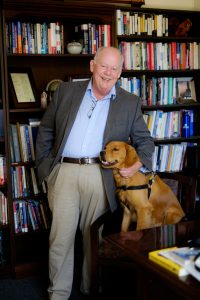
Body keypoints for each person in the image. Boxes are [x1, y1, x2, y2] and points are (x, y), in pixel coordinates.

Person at [35, 46, 155, 300]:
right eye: (103, 66)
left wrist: (137, 165)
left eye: (114, 68)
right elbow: (45, 131)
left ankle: (91, 289)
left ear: (120, 72)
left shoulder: (129, 102)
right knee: (61, 237)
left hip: (101, 175)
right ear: (92, 65)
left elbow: (145, 141)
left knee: (94, 238)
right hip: (64, 172)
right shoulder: (66, 92)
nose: (108, 73)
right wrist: (46, 170)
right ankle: (58, 293)